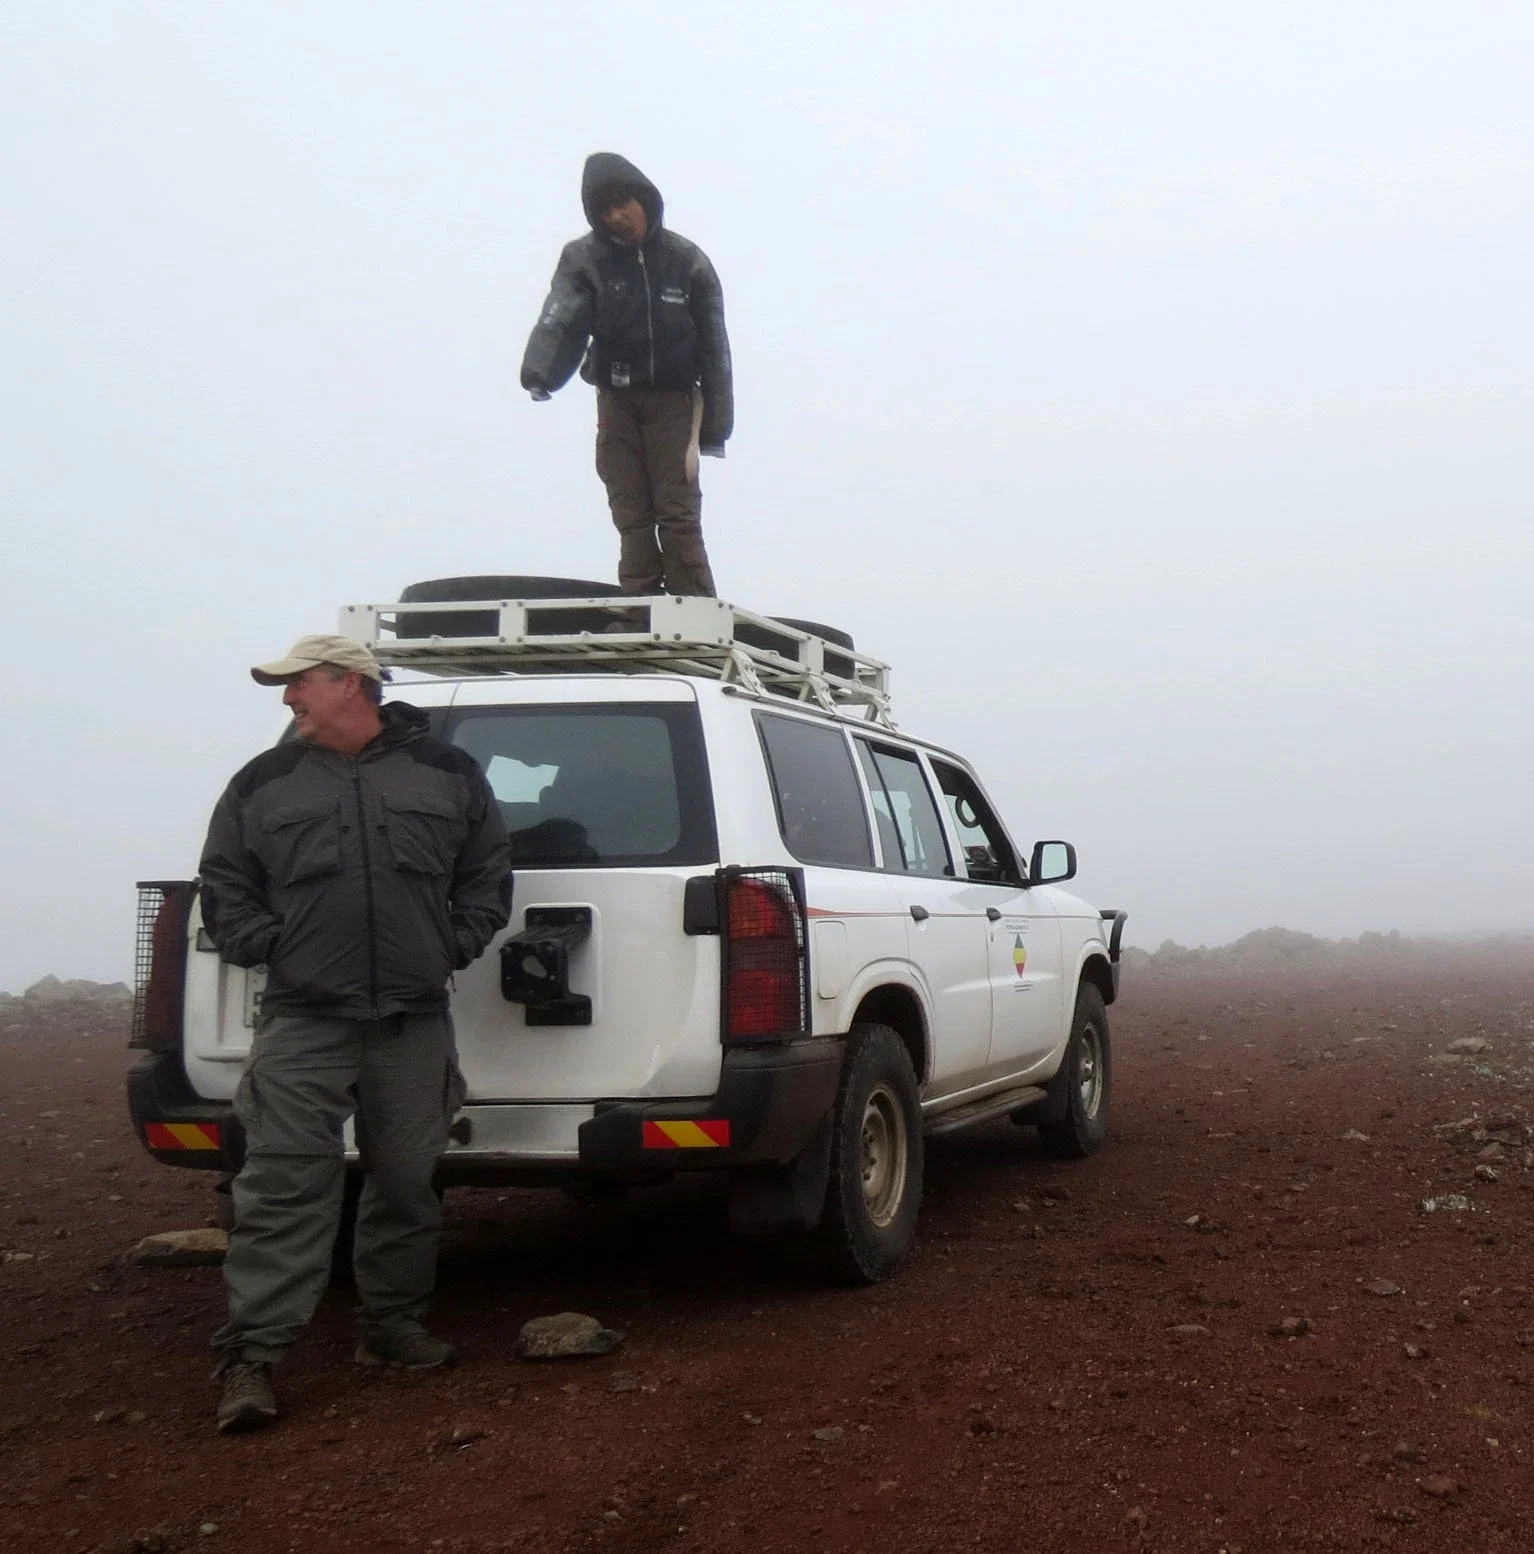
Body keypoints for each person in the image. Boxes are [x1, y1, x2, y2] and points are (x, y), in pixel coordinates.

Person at [198, 634, 512, 1434]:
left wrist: (453, 943)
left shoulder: (447, 774)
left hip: (412, 1019)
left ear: (350, 684)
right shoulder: (262, 782)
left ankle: (392, 1330)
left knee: (407, 1184)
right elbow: (224, 882)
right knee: (281, 1190)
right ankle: (252, 1358)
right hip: (305, 1020)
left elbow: (486, 873)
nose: (286, 699)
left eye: (297, 684)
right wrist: (267, 945)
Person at [521, 152, 733, 599]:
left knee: (676, 512)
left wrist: (716, 426)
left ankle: (692, 604)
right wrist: (541, 371)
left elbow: (715, 346)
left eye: (624, 204)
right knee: (629, 510)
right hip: (616, 400)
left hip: (675, 403)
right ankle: (639, 604)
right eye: (605, 209)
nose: (617, 217)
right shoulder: (584, 259)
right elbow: (562, 318)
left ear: (645, 201)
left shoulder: (687, 261)